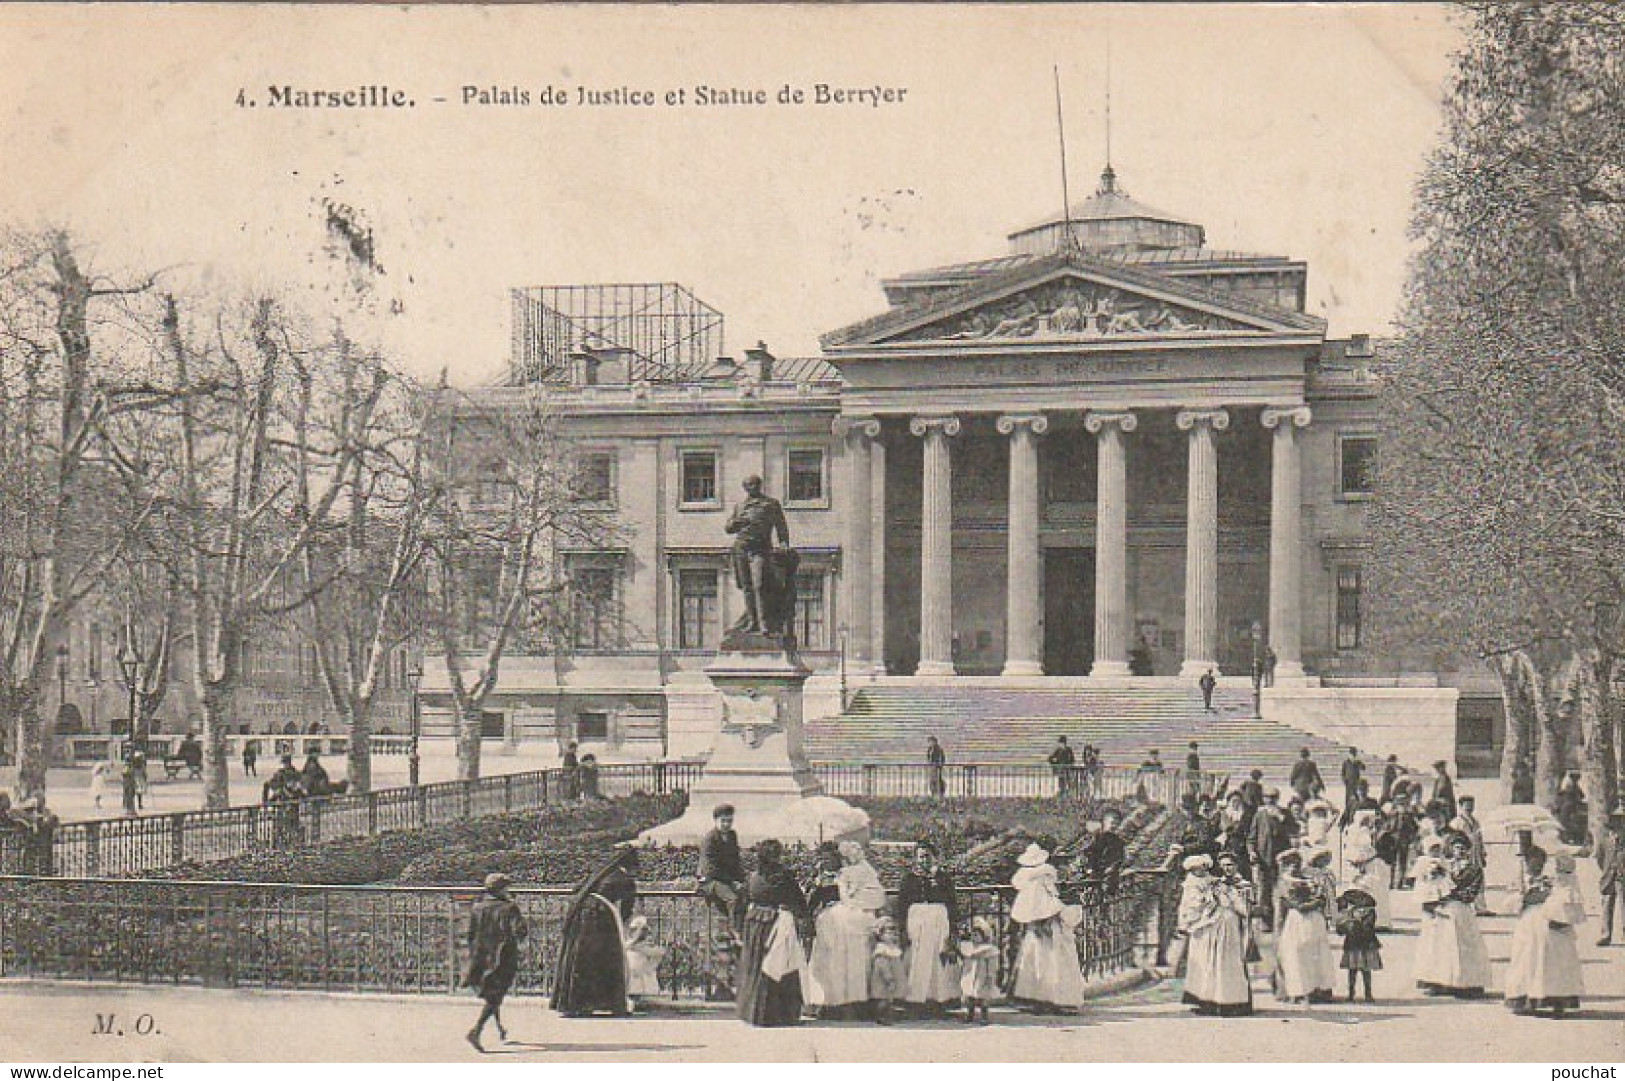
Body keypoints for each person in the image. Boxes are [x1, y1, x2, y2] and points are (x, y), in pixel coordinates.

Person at [553, 847, 638, 1017]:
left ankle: (575, 1004)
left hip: (580, 916)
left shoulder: (599, 874)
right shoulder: (626, 880)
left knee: (580, 959)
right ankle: (610, 1004)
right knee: (605, 959)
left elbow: (576, 889)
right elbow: (627, 909)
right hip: (600, 918)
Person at [1505, 847, 1586, 1018]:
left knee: (1554, 960)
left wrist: (1547, 893)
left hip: (1550, 922)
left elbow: (1564, 897)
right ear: (1525, 863)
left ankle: (1558, 1000)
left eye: (1539, 863)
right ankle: (1527, 998)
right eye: (1531, 863)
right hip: (1528, 922)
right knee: (1526, 958)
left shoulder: (1554, 880)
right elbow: (1510, 903)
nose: (1535, 867)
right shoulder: (1520, 880)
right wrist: (1524, 896)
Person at [736, 838, 808, 1027]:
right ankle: (780, 1015)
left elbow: (741, 902)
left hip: (754, 923)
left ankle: (754, 1013)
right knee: (780, 967)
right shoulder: (784, 876)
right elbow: (799, 902)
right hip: (776, 923)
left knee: (757, 966)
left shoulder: (752, 877)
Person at [1008, 842, 1086, 1014]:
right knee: (1052, 963)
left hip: (1044, 928)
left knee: (1040, 962)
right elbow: (1048, 906)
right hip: (1050, 928)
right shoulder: (1040, 881)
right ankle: (1052, 999)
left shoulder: (1030, 884)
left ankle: (1044, 999)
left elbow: (1034, 908)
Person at [1415, 833, 1491, 998]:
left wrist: (1452, 893)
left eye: (1463, 848)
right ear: (1452, 849)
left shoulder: (1474, 869)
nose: (1460, 851)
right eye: (1457, 848)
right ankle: (1442, 981)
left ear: (1468, 851)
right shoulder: (1445, 865)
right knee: (1442, 946)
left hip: (1461, 910)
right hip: (1444, 908)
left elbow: (1471, 893)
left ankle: (1466, 983)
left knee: (1463, 945)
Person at [1178, 853, 1253, 1016]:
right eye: (1196, 869)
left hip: (1228, 923)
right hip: (1210, 925)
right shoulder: (1204, 884)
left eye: (1230, 865)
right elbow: (1191, 904)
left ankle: (1230, 1002)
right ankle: (1207, 999)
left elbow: (1244, 908)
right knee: (1209, 962)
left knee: (1227, 962)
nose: (1200, 871)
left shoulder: (1236, 884)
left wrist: (1226, 897)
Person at [464, 872, 529, 1051]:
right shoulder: (509, 908)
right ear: (501, 889)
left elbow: (470, 934)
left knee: (493, 992)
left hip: (482, 955)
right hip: (503, 955)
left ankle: (500, 1029)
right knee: (496, 994)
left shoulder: (477, 907)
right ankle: (476, 1030)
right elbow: (520, 931)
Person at [897, 841, 960, 1015]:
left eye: (927, 856)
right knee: (917, 958)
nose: (924, 860)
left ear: (934, 857)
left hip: (938, 920)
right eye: (920, 857)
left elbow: (952, 903)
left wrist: (953, 929)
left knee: (937, 958)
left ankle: (938, 1000)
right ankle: (916, 1000)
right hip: (916, 920)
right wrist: (902, 928)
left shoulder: (943, 878)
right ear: (915, 859)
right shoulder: (909, 879)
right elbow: (902, 904)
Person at [725, 475, 792, 636]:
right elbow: (728, 528)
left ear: (760, 485)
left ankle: (764, 624)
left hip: (760, 549)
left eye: (755, 484)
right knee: (747, 587)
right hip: (741, 548)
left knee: (759, 585)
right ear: (745, 487)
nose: (752, 487)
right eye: (748, 485)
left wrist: (783, 542)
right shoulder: (740, 506)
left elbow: (781, 525)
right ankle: (752, 622)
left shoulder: (770, 504)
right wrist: (737, 522)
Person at [1273, 849, 1334, 1005]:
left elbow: (1323, 898)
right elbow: (1287, 904)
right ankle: (1296, 990)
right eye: (1289, 864)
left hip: (1312, 920)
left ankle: (1317, 988)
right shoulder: (1284, 882)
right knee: (1294, 955)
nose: (1293, 867)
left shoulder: (1311, 878)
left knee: (1314, 954)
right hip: (1293, 921)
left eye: (1296, 863)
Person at [1247, 786, 1292, 931]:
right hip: (1264, 859)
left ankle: (1283, 921)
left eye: (1273, 797)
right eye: (1267, 797)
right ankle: (1266, 921)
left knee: (1283, 890)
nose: (1270, 800)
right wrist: (1252, 852)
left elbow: (1294, 831)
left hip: (1281, 859)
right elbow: (1251, 838)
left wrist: (1282, 820)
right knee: (1264, 892)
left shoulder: (1283, 813)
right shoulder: (1259, 814)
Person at [697, 803, 744, 936]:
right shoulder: (710, 839)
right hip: (709, 879)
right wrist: (732, 882)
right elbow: (711, 868)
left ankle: (739, 928)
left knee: (745, 895)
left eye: (729, 821)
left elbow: (735, 861)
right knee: (732, 899)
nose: (726, 824)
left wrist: (741, 880)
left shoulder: (732, 835)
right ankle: (735, 933)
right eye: (723, 821)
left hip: (725, 879)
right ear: (716, 820)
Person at [1344, 808, 1393, 930]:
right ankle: (1359, 920)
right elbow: (1352, 851)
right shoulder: (1355, 833)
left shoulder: (1375, 833)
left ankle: (1379, 921)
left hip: (1374, 866)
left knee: (1377, 892)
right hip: (1362, 865)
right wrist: (1357, 861)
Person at [1335, 888, 1382, 1003]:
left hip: (1359, 943)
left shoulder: (1367, 912)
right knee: (1358, 970)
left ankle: (1364, 993)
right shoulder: (1353, 912)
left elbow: (1368, 927)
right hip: (1359, 943)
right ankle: (1357, 993)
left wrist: (1351, 924)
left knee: (1359, 970)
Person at [958, 916, 999, 1024]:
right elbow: (965, 963)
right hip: (971, 975)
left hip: (982, 975)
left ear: (983, 936)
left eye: (977, 935)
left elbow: (991, 965)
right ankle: (970, 1014)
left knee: (983, 996)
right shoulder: (969, 949)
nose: (974, 938)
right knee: (969, 995)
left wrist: (990, 974)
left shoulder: (988, 950)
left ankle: (984, 1016)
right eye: (972, 936)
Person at [1598, 803, 1625, 947]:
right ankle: (1605, 934)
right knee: (1606, 904)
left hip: (1622, 877)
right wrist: (1606, 870)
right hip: (1608, 876)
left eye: (1621, 822)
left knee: (1624, 904)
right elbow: (1600, 857)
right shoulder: (1605, 841)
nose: (1619, 827)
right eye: (1616, 822)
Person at [869, 917, 906, 1025]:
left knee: (889, 999)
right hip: (884, 980)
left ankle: (889, 1015)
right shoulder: (882, 950)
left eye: (895, 932)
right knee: (883, 999)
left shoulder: (893, 948)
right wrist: (888, 977)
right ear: (880, 935)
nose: (893, 935)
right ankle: (881, 1016)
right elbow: (882, 965)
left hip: (893, 979)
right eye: (889, 931)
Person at [623, 916, 665, 1007]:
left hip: (642, 971)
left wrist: (651, 964)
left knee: (641, 986)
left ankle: (639, 1001)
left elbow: (657, 953)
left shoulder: (646, 944)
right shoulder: (629, 943)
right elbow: (626, 948)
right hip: (631, 971)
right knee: (632, 985)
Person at [1084, 808, 1129, 892]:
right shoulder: (1097, 838)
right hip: (1095, 870)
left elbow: (1119, 857)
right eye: (1111, 823)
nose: (1114, 826)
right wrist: (1090, 867)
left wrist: (1112, 867)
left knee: (1111, 884)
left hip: (1110, 872)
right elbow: (1090, 853)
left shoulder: (1117, 841)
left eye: (1117, 824)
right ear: (1104, 823)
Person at [1554, 772, 1588, 846]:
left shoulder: (1573, 786)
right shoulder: (1569, 786)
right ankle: (1566, 837)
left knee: (1570, 822)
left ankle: (1569, 837)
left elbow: (1582, 795)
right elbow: (1581, 796)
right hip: (1568, 806)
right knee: (1566, 822)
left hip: (1571, 806)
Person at [1340, 747, 1364, 822]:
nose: (1353, 755)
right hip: (1349, 783)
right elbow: (1343, 773)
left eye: (1354, 754)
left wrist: (1358, 762)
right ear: (1349, 754)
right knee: (1348, 800)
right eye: (1352, 754)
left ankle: (1355, 814)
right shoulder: (1345, 762)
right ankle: (1347, 816)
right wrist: (1345, 780)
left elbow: (1363, 768)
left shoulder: (1357, 762)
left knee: (1357, 798)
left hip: (1356, 783)